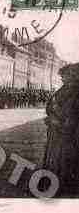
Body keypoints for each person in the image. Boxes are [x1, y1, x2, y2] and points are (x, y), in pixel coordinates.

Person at [43, 63, 79, 197]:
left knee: (65, 161)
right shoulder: (63, 90)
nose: (63, 79)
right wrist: (51, 117)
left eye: (66, 76)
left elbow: (74, 117)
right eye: (62, 76)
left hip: (67, 135)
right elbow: (50, 106)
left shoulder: (76, 94)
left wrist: (58, 122)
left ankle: (64, 185)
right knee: (54, 160)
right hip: (56, 132)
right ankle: (54, 183)